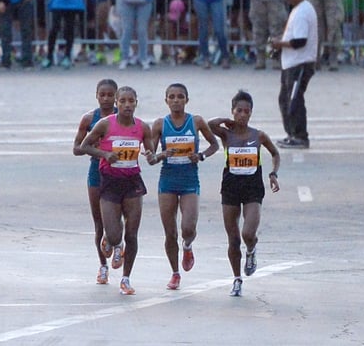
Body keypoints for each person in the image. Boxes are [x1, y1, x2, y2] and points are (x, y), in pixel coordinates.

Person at [78, 85, 155, 296]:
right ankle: (111, 241)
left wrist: (154, 156)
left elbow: (151, 155)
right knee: (113, 235)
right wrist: (104, 154)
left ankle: (126, 278)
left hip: (132, 182)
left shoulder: (142, 127)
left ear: (136, 103)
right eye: (123, 101)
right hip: (110, 182)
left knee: (132, 233)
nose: (127, 105)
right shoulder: (105, 124)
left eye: (131, 101)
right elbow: (84, 147)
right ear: (117, 104)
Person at [207, 90, 281, 297]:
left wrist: (273, 173)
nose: (242, 115)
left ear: (251, 113)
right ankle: (237, 279)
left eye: (246, 111)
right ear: (233, 111)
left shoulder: (258, 136)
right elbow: (208, 125)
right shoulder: (226, 134)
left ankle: (251, 251)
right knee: (233, 239)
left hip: (252, 188)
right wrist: (225, 121)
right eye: (238, 111)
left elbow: (275, 153)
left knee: (248, 233)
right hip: (230, 187)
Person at [148, 83, 219, 290]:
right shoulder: (160, 124)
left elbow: (214, 144)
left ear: (187, 100)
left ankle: (187, 247)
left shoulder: (195, 121)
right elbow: (150, 158)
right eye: (172, 97)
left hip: (189, 180)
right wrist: (161, 155)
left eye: (180, 96)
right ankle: (175, 273)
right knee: (170, 232)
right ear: (166, 100)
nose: (176, 100)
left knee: (188, 228)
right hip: (167, 181)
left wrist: (201, 156)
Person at [72, 78, 118, 284]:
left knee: (118, 216)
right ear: (96, 96)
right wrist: (97, 148)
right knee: (99, 221)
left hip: (120, 171)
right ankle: (102, 266)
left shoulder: (124, 117)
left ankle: (118, 245)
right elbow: (76, 148)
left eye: (110, 95)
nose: (106, 98)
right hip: (97, 171)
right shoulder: (89, 119)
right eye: (103, 94)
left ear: (116, 97)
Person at [270, 0, 318, 148]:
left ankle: (300, 136)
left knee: (294, 99)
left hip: (300, 63)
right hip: (291, 63)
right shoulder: (298, 10)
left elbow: (300, 41)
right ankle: (291, 133)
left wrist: (279, 44)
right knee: (285, 99)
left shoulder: (303, 11)